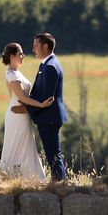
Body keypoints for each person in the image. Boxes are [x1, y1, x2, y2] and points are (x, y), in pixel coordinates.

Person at [12, 33, 68, 181]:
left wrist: (26, 109)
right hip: (47, 117)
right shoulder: (47, 64)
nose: (33, 49)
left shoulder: (50, 66)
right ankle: (60, 182)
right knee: (52, 154)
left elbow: (46, 98)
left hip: (49, 117)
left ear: (45, 46)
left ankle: (60, 184)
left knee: (53, 154)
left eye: (36, 45)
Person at [0, 43, 53, 180]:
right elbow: (22, 97)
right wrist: (41, 105)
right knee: (15, 145)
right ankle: (8, 177)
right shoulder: (12, 75)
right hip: (16, 116)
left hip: (24, 115)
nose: (23, 56)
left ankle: (31, 178)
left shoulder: (17, 72)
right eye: (20, 54)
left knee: (27, 145)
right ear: (12, 56)